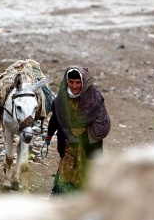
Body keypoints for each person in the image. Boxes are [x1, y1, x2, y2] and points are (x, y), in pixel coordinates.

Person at [45, 65, 111, 195]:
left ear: (83, 82)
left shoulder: (94, 99)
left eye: (77, 82)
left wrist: (85, 129)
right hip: (68, 145)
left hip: (89, 148)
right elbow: (56, 118)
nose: (74, 86)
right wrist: (49, 134)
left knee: (87, 181)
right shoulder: (62, 99)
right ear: (67, 81)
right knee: (64, 179)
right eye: (71, 82)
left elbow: (103, 124)